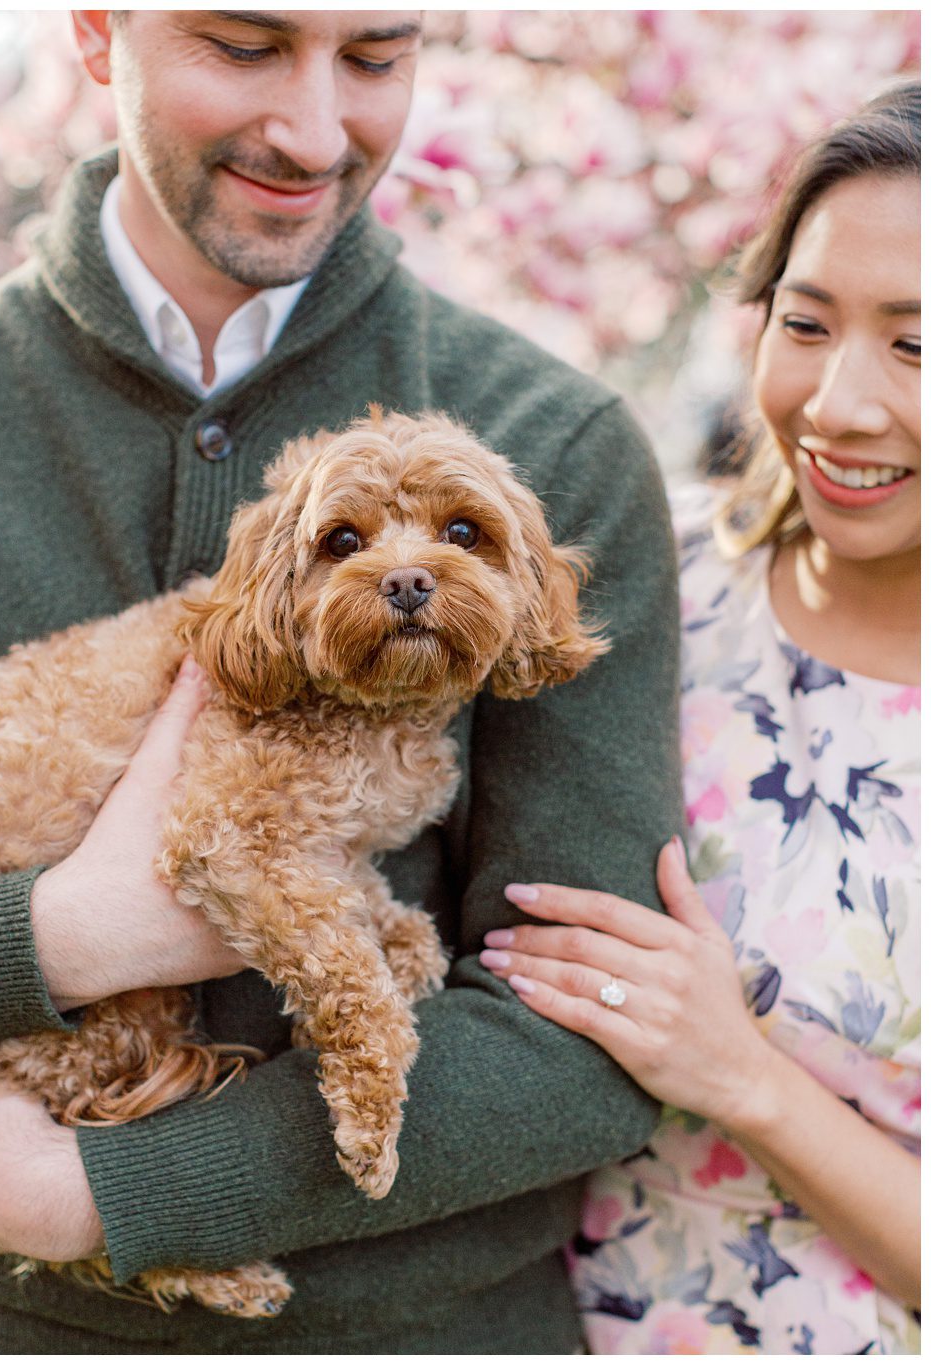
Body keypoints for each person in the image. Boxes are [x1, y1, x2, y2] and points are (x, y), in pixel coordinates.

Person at [0, 11, 681, 1353]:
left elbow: (600, 1038)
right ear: (100, 30)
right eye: (245, 44)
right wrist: (59, 936)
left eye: (376, 57)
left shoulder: (561, 443)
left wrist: (95, 1194)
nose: (315, 133)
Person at [482, 83, 920, 1354]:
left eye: (916, 344)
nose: (839, 404)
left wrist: (739, 1078)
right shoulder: (637, 568)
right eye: (805, 322)